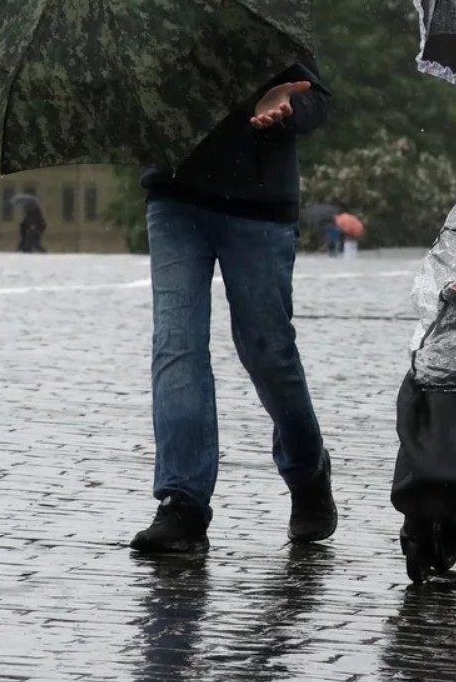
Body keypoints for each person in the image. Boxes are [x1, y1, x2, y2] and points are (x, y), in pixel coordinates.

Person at [129, 60, 337, 555]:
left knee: (268, 352)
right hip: (176, 194)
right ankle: (184, 502)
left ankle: (307, 468)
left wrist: (285, 107)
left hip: (258, 204)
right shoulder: (149, 13)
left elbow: (317, 100)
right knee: (176, 343)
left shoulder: (261, 1)